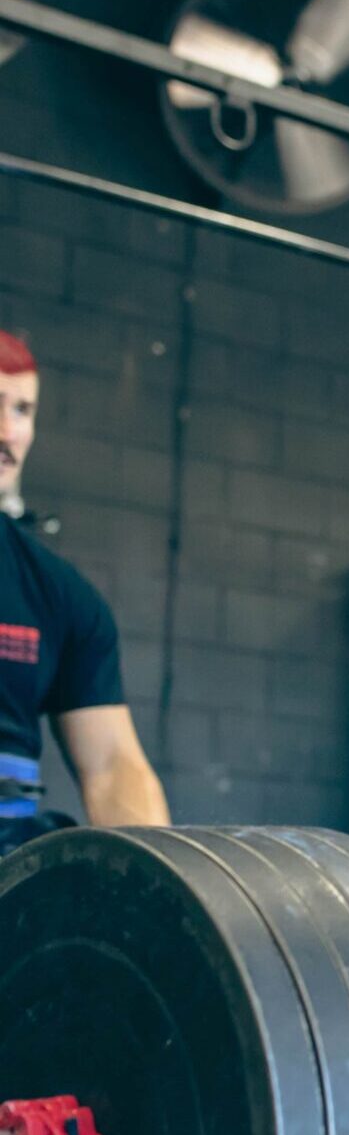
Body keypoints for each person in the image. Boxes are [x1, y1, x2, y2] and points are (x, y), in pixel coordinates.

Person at [0, 330, 169, 854]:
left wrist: (161, 894)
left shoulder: (62, 599)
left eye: (23, 409)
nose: (7, 430)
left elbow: (111, 765)